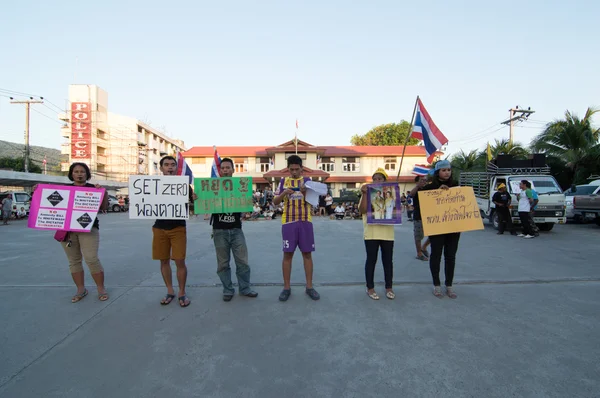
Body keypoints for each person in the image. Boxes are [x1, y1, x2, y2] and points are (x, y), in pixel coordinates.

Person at [34, 162, 109, 302]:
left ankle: (101, 288)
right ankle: (81, 289)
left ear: (87, 174)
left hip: (88, 229)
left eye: (82, 171)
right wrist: (38, 191)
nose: (79, 174)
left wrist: (103, 193)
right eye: (76, 171)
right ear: (71, 174)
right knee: (73, 261)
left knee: (92, 259)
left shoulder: (94, 189)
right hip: (67, 231)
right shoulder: (63, 189)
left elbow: (104, 208)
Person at [273, 154, 320, 301]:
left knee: (307, 254)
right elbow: (275, 202)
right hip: (288, 222)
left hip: (305, 221)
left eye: (297, 169)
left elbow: (314, 203)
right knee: (287, 255)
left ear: (301, 169)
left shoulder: (308, 181)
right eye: (291, 169)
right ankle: (286, 288)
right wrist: (284, 193)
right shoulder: (282, 182)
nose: (294, 172)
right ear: (288, 169)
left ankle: (309, 287)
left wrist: (305, 192)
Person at [211, 158, 258, 302]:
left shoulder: (240, 187)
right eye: (223, 168)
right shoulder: (212, 188)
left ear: (233, 170)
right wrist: (197, 197)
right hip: (219, 230)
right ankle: (227, 289)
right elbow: (203, 203)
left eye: (228, 167)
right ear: (220, 171)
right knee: (223, 264)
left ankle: (244, 288)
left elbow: (246, 210)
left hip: (237, 230)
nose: (225, 170)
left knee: (242, 262)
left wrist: (247, 201)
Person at [153, 156, 196, 307]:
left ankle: (182, 292)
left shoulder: (185, 186)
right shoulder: (152, 185)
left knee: (179, 261)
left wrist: (195, 199)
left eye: (172, 165)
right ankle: (170, 290)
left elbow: (194, 206)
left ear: (176, 168)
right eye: (166, 165)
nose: (170, 167)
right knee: (163, 260)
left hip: (178, 227)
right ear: (161, 168)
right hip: (159, 227)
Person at [421, 160, 461, 299]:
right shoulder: (429, 187)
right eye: (443, 170)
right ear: (438, 172)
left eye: (448, 170)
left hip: (453, 227)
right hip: (437, 227)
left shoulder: (456, 186)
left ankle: (449, 285)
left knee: (450, 256)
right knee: (436, 255)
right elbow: (423, 206)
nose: (447, 173)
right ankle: (436, 285)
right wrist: (437, 193)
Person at [360, 168, 396, 300]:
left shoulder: (392, 195)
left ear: (385, 181)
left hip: (387, 233)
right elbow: (362, 210)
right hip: (371, 232)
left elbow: (396, 211)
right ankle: (370, 287)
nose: (376, 181)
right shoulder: (368, 193)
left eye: (380, 179)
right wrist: (364, 194)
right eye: (374, 179)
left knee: (388, 261)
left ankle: (389, 287)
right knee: (371, 260)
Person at [409, 175, 431, 261]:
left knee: (435, 234)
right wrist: (418, 186)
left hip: (429, 215)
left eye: (425, 181)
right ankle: (419, 253)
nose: (424, 182)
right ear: (417, 182)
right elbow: (411, 194)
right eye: (421, 180)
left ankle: (424, 246)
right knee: (418, 236)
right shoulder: (416, 190)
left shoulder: (428, 189)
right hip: (418, 216)